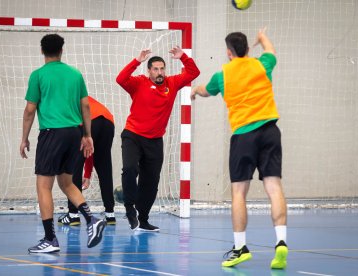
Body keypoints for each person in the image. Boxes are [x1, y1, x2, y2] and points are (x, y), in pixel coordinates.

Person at [191, 28, 288, 269]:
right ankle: (281, 243)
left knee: (238, 194)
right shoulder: (262, 65)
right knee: (274, 188)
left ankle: (240, 248)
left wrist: (194, 89)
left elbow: (205, 91)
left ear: (228, 52)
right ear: (247, 49)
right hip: (270, 131)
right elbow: (271, 50)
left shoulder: (223, 74)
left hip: (244, 136)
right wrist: (262, 37)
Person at [20, 34, 106, 254]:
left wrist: (24, 138)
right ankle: (92, 219)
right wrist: (87, 135)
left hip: (52, 134)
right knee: (67, 183)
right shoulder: (75, 74)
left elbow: (30, 110)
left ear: (42, 51)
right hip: (74, 133)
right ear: (61, 50)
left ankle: (50, 239)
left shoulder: (38, 75)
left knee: (43, 185)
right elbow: (85, 107)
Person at [116, 46, 200, 231]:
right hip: (133, 135)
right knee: (130, 169)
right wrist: (136, 60)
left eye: (162, 68)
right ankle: (129, 208)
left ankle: (143, 219)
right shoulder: (139, 83)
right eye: (155, 69)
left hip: (154, 140)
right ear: (149, 71)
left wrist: (183, 57)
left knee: (151, 182)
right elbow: (120, 79)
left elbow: (194, 72)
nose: (160, 72)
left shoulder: (173, 83)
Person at [58, 96, 116, 226]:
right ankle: (110, 214)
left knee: (73, 167)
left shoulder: (63, 101)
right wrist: (87, 174)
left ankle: (73, 215)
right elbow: (90, 150)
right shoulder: (83, 96)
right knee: (104, 166)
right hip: (107, 121)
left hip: (88, 120)